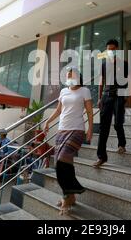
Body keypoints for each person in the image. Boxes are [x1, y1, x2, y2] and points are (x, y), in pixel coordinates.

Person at [44, 68, 93, 215]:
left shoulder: (84, 91)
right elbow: (59, 110)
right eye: (67, 76)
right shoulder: (63, 91)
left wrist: (90, 129)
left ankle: (66, 197)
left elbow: (90, 111)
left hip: (76, 130)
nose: (68, 78)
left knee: (61, 160)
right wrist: (48, 121)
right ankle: (71, 195)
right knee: (64, 164)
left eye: (71, 76)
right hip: (61, 130)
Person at [93, 39, 131, 168]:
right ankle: (101, 157)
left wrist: (128, 97)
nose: (110, 51)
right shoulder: (104, 64)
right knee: (104, 127)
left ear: (117, 49)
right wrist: (99, 98)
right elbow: (101, 81)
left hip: (120, 96)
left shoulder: (124, 64)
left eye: (113, 49)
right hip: (106, 96)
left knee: (117, 123)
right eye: (108, 49)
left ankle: (122, 144)